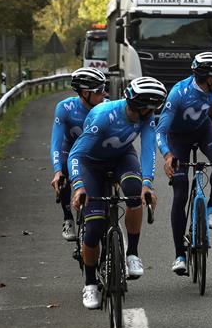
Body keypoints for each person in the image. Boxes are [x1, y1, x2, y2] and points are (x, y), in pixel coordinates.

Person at [68, 77, 166, 309]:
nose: (152, 112)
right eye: (149, 108)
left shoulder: (145, 117)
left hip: (122, 156)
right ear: (136, 104)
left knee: (134, 190)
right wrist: (79, 185)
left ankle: (132, 253)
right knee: (93, 227)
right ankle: (90, 284)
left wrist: (147, 183)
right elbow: (76, 155)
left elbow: (149, 149)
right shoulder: (104, 116)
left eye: (155, 108)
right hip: (91, 164)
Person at [156, 52, 212, 276]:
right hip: (178, 138)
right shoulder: (178, 94)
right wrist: (167, 156)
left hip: (203, 130)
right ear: (208, 77)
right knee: (181, 193)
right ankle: (179, 255)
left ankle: (211, 207)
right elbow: (161, 131)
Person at [50, 67, 108, 241]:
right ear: (84, 93)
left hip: (98, 152)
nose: (104, 94)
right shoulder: (65, 108)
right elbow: (56, 142)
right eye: (99, 90)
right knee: (64, 173)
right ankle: (68, 218)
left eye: (105, 88)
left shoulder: (107, 106)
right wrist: (57, 170)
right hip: (71, 150)